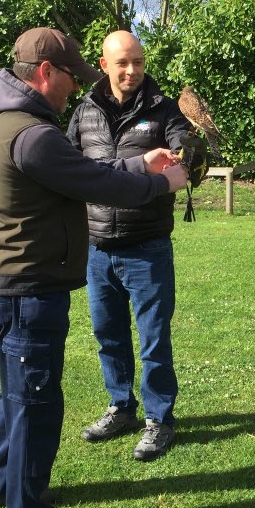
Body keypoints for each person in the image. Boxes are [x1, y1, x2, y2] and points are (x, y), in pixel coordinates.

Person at [0, 27, 188, 508]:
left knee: (16, 395)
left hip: (11, 282)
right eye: (71, 76)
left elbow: (80, 170)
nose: (75, 87)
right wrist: (160, 182)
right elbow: (93, 182)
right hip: (29, 286)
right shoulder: (33, 133)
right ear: (46, 72)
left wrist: (139, 162)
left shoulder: (3, 121)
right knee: (35, 404)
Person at [67, 30, 191, 460]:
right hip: (97, 247)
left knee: (153, 338)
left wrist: (187, 152)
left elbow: (186, 152)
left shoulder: (164, 108)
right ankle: (120, 407)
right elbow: (68, 168)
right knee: (108, 335)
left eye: (137, 61)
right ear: (104, 65)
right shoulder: (84, 112)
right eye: (122, 62)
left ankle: (159, 420)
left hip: (148, 246)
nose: (132, 70)